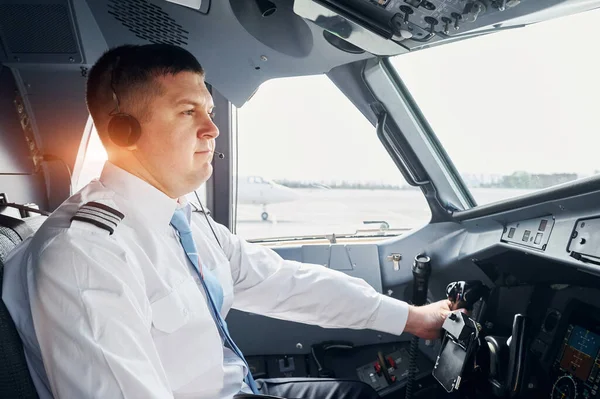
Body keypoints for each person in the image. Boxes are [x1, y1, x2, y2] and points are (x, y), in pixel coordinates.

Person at [2, 44, 456, 399]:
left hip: (236, 386)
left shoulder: (182, 218)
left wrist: (412, 318)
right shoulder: (86, 256)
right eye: (188, 112)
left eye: (210, 112)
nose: (212, 129)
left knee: (355, 394)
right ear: (125, 132)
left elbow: (285, 282)